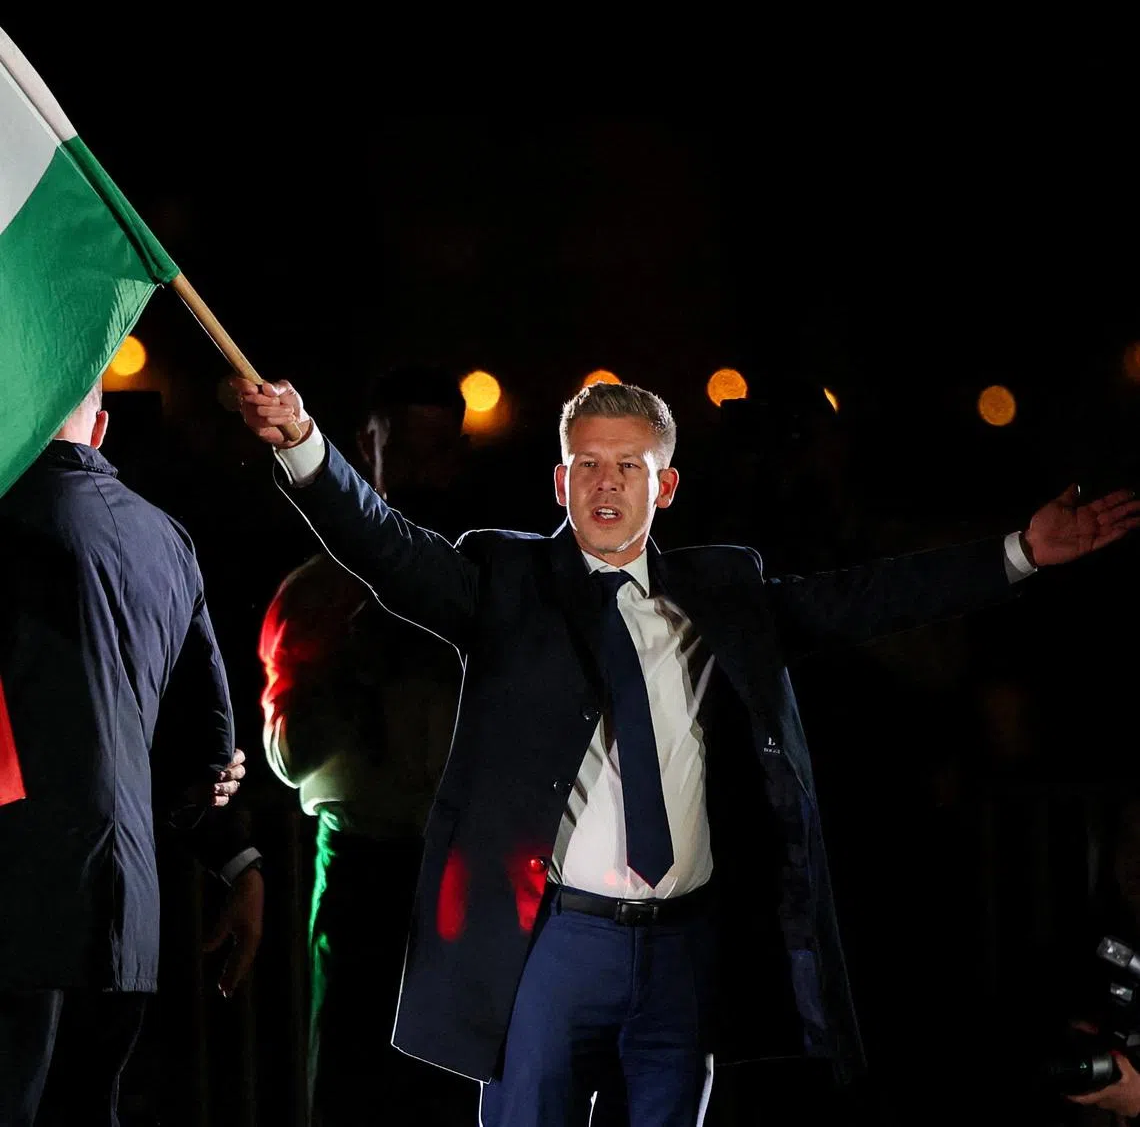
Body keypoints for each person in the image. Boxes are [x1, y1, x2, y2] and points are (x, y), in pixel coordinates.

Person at [232, 374, 1139, 1126]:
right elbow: (389, 548)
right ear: (559, 481)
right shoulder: (507, 583)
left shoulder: (723, 590)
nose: (606, 484)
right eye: (587, 464)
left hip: (683, 947)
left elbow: (864, 596)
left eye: (629, 465)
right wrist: (305, 445)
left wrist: (1019, 552)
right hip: (554, 940)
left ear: (665, 486)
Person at [0, 380, 264, 1127]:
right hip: (127, 920)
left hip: (15, 902)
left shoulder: (8, 519)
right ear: (102, 426)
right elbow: (207, 750)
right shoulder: (166, 540)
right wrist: (238, 864)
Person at [257, 366, 478, 1125]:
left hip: (468, 869)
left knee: (459, 1088)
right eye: (404, 450)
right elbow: (287, 762)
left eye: (437, 451)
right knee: (353, 1084)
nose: (423, 471)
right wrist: (352, 665)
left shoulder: (487, 586)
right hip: (362, 867)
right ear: (366, 447)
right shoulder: (317, 595)